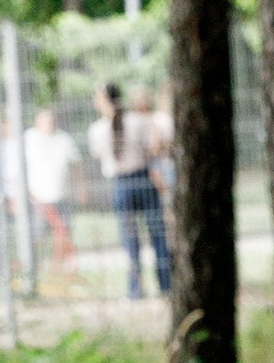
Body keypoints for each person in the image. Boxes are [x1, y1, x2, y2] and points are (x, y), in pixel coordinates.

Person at [89, 83, 170, 296]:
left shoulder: (97, 129)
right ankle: (166, 286)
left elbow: (99, 156)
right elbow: (153, 149)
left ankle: (135, 290)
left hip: (121, 185)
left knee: (130, 239)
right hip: (143, 181)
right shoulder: (139, 121)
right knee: (157, 235)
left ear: (105, 100)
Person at [23, 105, 78, 275]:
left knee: (62, 233)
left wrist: (81, 189)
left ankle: (59, 269)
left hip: (62, 195)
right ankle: (33, 269)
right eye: (45, 119)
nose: (49, 122)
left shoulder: (64, 139)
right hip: (38, 198)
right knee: (37, 235)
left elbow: (76, 165)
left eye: (51, 119)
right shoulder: (28, 138)